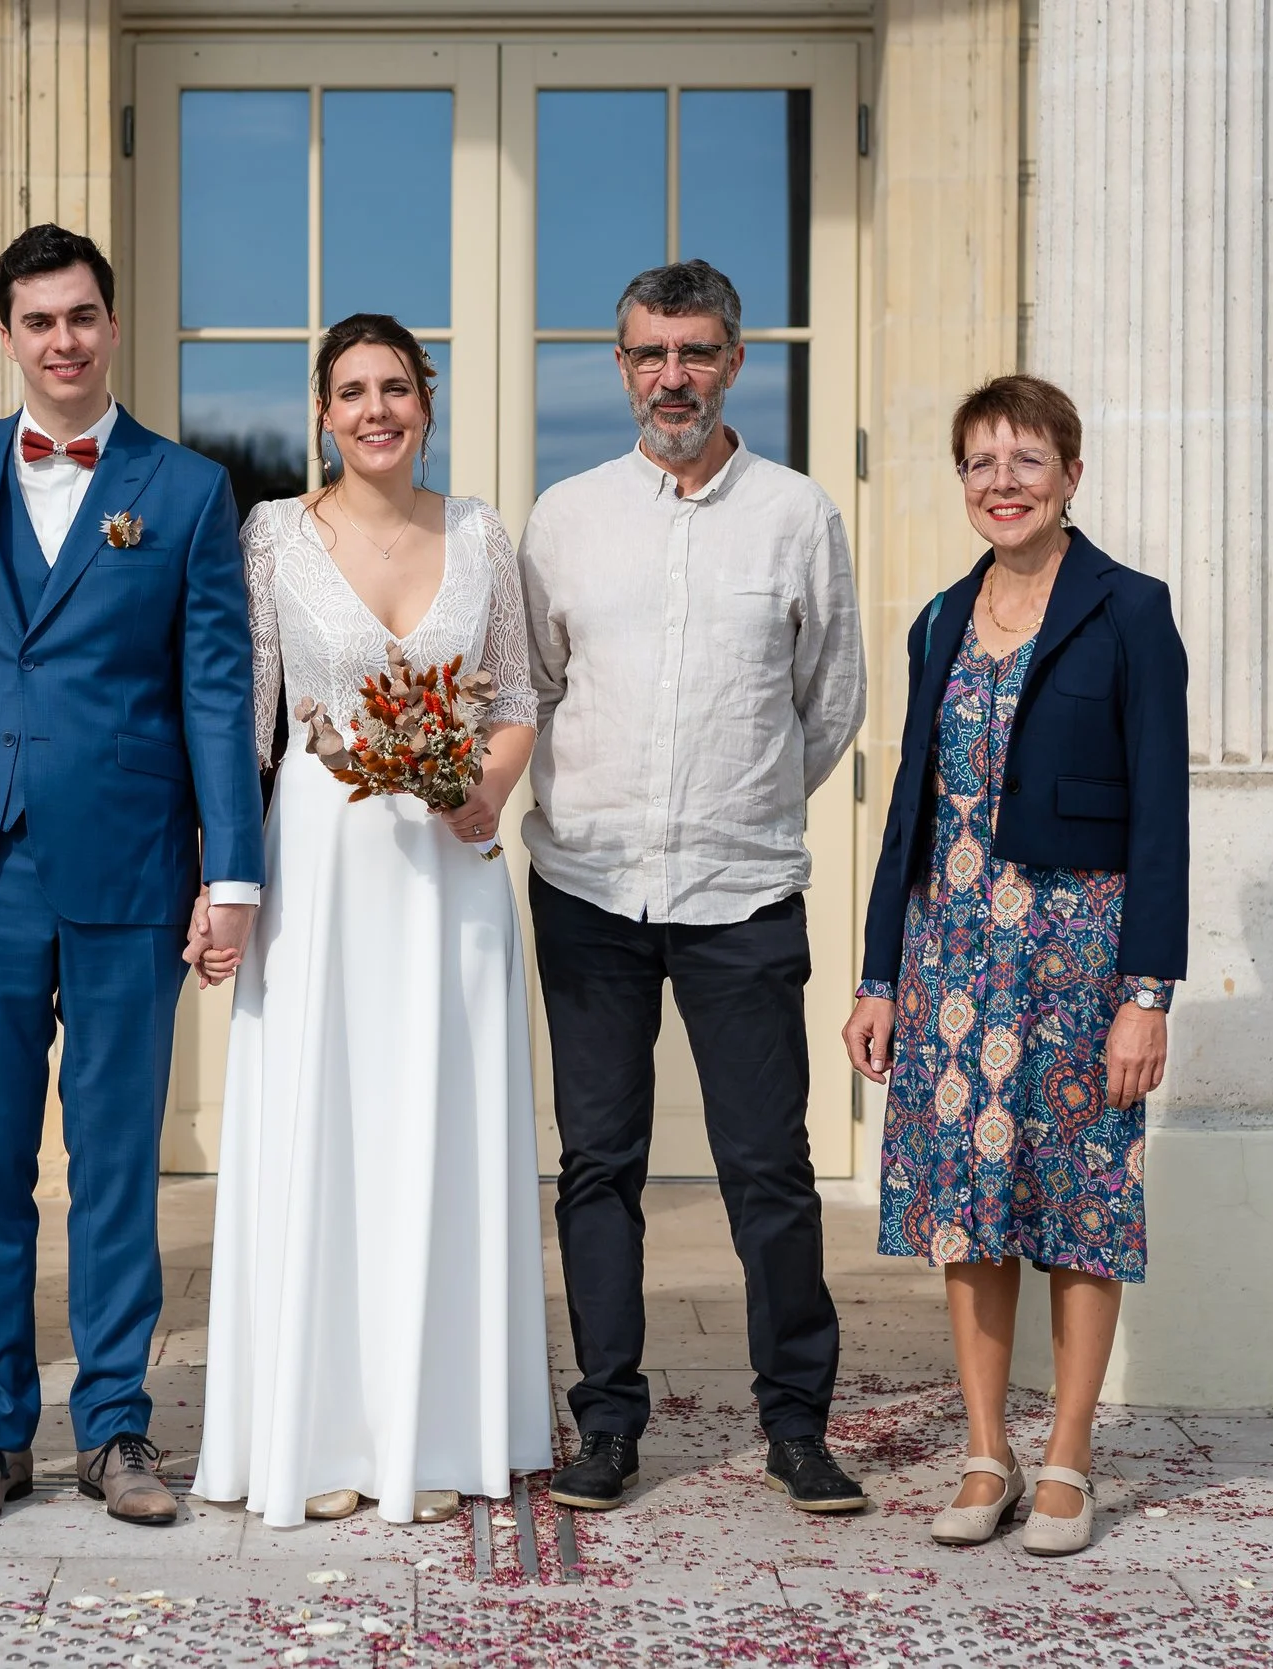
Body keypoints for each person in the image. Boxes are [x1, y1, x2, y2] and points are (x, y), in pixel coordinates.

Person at [0, 225, 266, 1531]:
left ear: (110, 321)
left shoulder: (187, 490)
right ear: (7, 333)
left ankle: (116, 1430)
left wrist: (234, 871)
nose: (65, 340)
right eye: (40, 320)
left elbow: (216, 687)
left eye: (84, 315)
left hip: (130, 867)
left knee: (114, 1162)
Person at [189, 315, 552, 1529]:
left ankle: (440, 1423)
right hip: (322, 874)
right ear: (323, 414)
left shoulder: (482, 532)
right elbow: (243, 724)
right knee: (324, 1131)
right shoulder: (272, 535)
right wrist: (225, 884)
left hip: (449, 880)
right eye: (353, 392)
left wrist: (483, 792)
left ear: (427, 400)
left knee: (442, 1133)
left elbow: (514, 697)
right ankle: (324, 1425)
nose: (376, 409)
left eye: (396, 386)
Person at [520, 260, 868, 1516]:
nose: (673, 375)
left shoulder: (795, 515)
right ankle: (607, 1424)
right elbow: (537, 689)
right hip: (589, 890)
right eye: (650, 353)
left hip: (742, 890)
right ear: (619, 367)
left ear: (735, 362)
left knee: (767, 1168)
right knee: (597, 1165)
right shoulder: (563, 518)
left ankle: (797, 1426)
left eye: (697, 351)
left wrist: (749, 798)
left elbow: (828, 700)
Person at [840, 374, 1188, 1558]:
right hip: (953, 955)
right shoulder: (937, 619)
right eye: (981, 463)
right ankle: (985, 1450)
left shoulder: (1129, 609)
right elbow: (909, 808)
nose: (1002, 483)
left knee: (1082, 1204)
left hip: (1080, 959)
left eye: (1025, 460)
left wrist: (1146, 994)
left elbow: (1160, 819)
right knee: (969, 1208)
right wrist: (878, 974)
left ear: (1070, 475)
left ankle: (1069, 1458)